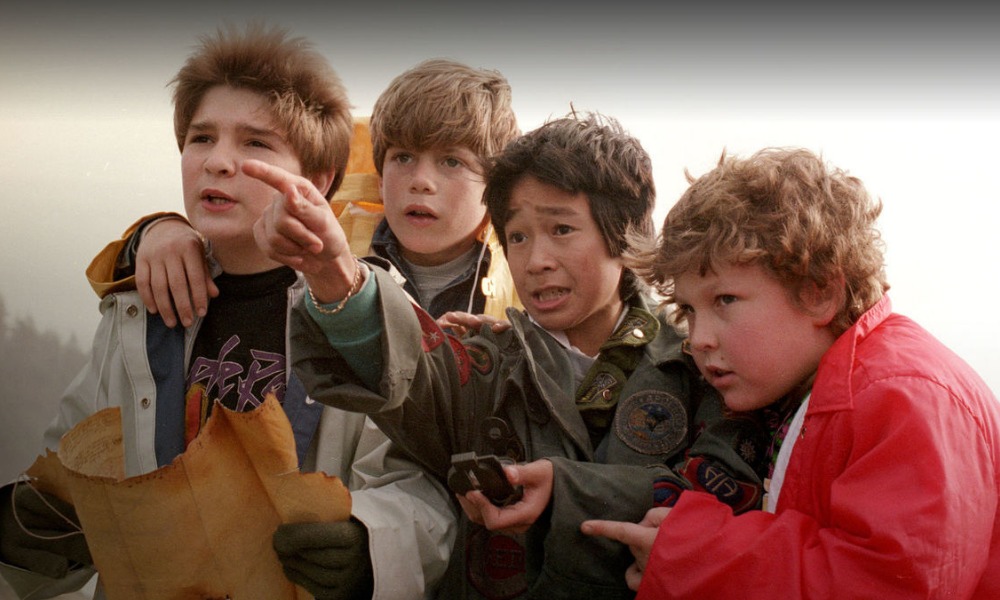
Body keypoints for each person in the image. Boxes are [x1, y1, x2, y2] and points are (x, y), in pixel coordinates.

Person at [0, 24, 456, 600]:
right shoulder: (138, 309)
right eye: (201, 138)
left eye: (255, 144)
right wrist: (27, 536)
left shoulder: (369, 309)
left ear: (316, 180)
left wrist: (370, 545)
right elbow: (71, 470)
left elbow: (424, 488)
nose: (218, 161)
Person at [251, 112, 766, 599]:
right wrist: (333, 269)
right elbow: (413, 369)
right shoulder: (490, 364)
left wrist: (567, 491)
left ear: (624, 234)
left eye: (561, 229)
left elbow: (731, 498)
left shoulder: (702, 362)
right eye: (517, 236)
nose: (536, 260)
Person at [582, 147, 1000, 598]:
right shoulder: (815, 387)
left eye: (725, 300)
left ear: (818, 293)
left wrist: (692, 558)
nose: (699, 338)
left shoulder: (907, 397)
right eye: (688, 309)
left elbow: (893, 585)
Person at [89, 57, 521, 328]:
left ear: (495, 183)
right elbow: (241, 246)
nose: (421, 181)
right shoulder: (327, 238)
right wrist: (157, 230)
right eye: (403, 157)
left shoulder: (523, 273)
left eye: (452, 162)